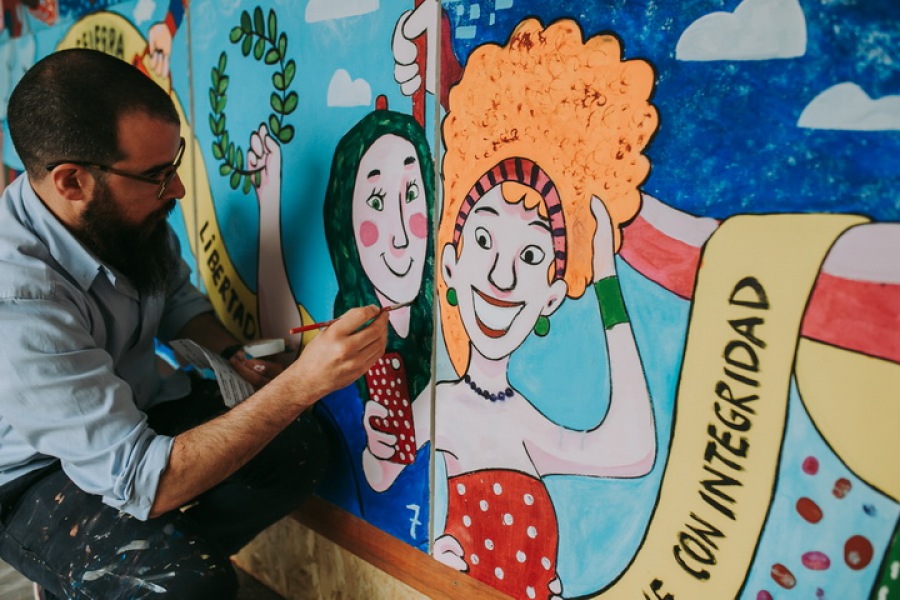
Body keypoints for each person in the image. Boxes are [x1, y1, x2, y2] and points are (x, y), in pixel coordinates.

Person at [0, 47, 388, 599]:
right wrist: (303, 383)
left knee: (297, 447)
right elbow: (146, 479)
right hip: (34, 476)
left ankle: (123, 575)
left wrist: (231, 354)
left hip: (135, 413)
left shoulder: (121, 211)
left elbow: (176, 300)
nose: (177, 189)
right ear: (71, 182)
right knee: (186, 585)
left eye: (174, 164)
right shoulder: (18, 302)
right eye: (157, 176)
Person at [364, 19, 658, 600]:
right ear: (450, 265)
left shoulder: (525, 421)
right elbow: (380, 473)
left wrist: (606, 282)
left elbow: (634, 449)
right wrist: (381, 443)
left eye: (529, 255)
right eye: (483, 240)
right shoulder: (446, 406)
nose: (502, 277)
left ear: (551, 295)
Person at [317, 108, 435, 546]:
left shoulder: (452, 330)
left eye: (412, 194)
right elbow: (376, 477)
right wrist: (375, 454)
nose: (401, 236)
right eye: (378, 202)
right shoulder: (341, 351)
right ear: (345, 222)